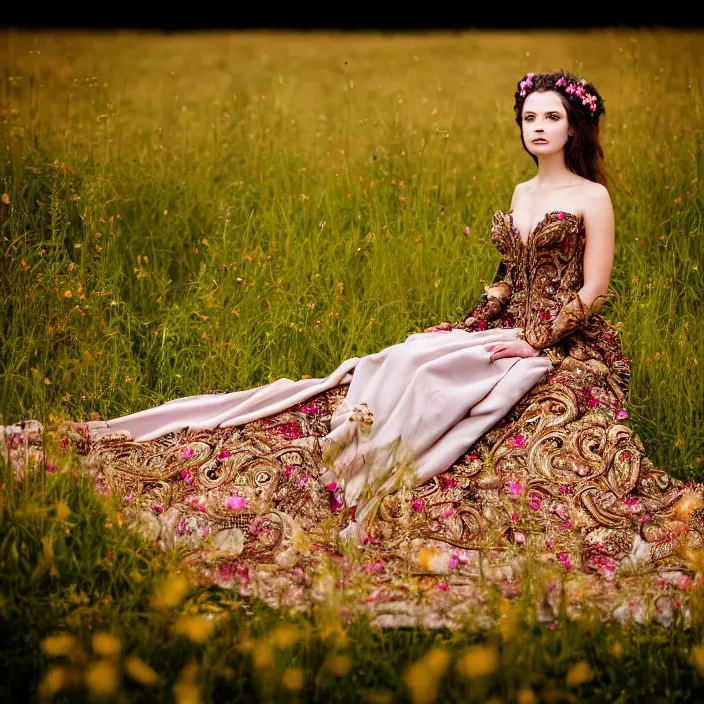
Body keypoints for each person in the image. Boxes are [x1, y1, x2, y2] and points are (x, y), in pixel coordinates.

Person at [3, 70, 702, 627]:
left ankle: (423, 464)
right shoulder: (522, 191)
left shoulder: (591, 196)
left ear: (575, 124)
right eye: (530, 117)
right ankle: (360, 457)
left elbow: (595, 290)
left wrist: (532, 339)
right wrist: (466, 324)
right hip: (504, 327)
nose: (539, 127)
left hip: (564, 342)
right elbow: (502, 280)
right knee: (403, 359)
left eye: (552, 117)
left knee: (525, 404)